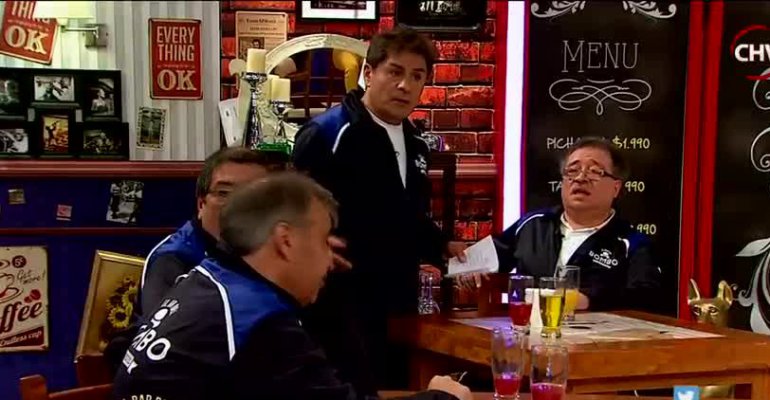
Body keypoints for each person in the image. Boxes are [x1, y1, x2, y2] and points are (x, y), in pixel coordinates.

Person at [112, 173, 472, 400]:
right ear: (285, 240)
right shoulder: (258, 322)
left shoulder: (204, 281)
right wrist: (442, 397)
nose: (330, 259)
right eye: (324, 241)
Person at [291, 27, 468, 390]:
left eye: (417, 76)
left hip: (399, 294)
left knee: (397, 384)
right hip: (340, 297)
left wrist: (441, 245)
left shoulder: (416, 143)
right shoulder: (328, 133)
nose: (405, 85)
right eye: (395, 72)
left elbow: (407, 213)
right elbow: (293, 211)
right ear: (369, 74)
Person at [103, 147, 292, 373]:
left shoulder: (264, 251)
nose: (238, 206)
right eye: (224, 193)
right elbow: (175, 346)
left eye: (253, 196)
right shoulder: (174, 260)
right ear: (201, 204)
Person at [466, 137, 662, 312]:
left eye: (595, 172)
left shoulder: (631, 243)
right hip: (529, 332)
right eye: (572, 171)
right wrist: (468, 265)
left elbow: (647, 297)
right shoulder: (533, 225)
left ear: (616, 188)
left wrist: (588, 300)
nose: (580, 178)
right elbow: (478, 261)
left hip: (596, 338)